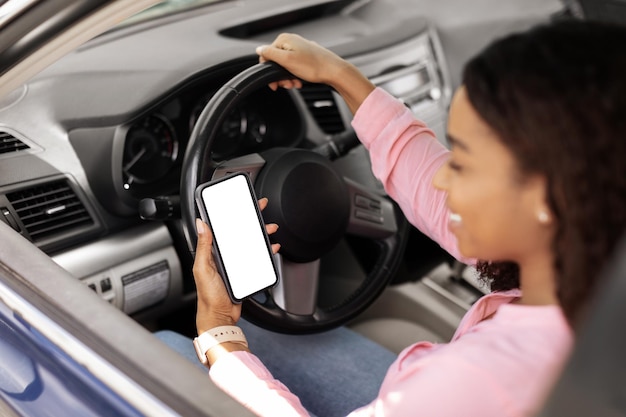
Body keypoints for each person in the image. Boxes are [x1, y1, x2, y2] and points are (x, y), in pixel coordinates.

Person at [163, 19, 626, 417]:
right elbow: (439, 196)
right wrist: (341, 77)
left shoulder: (478, 380)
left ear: (545, 196)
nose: (444, 182)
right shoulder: (594, 270)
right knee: (277, 340)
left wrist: (220, 333)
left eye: (461, 163)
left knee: (165, 347)